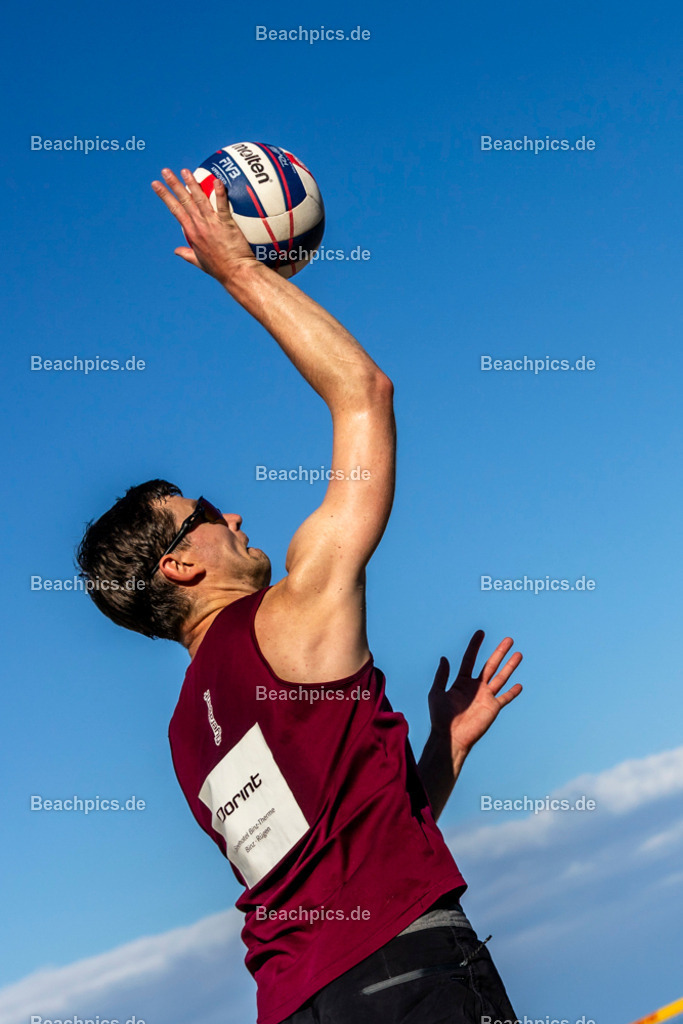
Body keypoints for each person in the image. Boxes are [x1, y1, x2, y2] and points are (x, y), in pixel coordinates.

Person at [77, 167, 524, 1024]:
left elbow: (345, 852)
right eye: (205, 514)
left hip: (304, 1004)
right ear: (179, 565)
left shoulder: (188, 734)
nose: (232, 512)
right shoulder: (286, 614)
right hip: (411, 973)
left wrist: (446, 747)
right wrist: (241, 271)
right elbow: (364, 394)